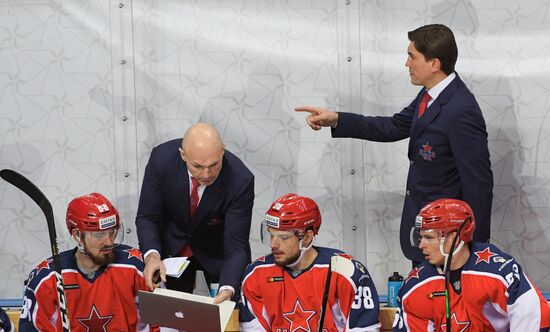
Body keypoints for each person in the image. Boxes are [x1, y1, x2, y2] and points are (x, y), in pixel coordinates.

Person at [295, 24, 493, 264]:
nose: (406, 64)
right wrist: (336, 119)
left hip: (449, 240)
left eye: (412, 56)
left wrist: (476, 247)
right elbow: (394, 126)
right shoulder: (430, 95)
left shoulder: (461, 109)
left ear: (434, 64)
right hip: (427, 232)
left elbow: (478, 183)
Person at [135, 123, 254, 303]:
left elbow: (236, 244)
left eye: (214, 165)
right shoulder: (162, 160)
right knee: (171, 317)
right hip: (171, 250)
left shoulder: (240, 179)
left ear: (223, 151)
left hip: (217, 251)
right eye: (197, 166)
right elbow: (147, 216)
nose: (206, 174)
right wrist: (152, 256)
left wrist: (228, 288)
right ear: (183, 155)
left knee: (228, 313)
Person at [393, 198, 550, 331]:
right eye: (421, 238)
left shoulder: (499, 271)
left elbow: (533, 315)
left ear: (453, 237)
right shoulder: (415, 286)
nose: (421, 245)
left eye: (429, 237)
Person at [240, 193, 381, 331]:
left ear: (307, 237)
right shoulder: (256, 274)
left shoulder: (345, 270)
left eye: (283, 237)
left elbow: (364, 329)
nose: (274, 244)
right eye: (271, 235)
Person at [19, 193, 158, 331]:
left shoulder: (137, 267)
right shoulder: (46, 279)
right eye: (99, 235)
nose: (109, 241)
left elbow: (160, 325)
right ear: (77, 235)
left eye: (112, 232)